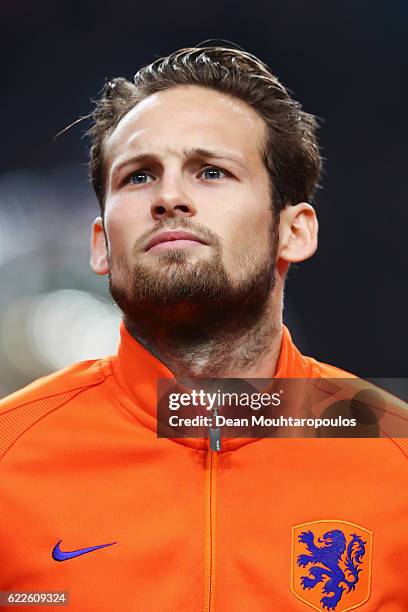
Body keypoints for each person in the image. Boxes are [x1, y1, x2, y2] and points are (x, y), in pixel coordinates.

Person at [0, 46, 406, 611]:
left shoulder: (396, 459)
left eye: (211, 171)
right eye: (139, 176)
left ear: (294, 231)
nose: (168, 198)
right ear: (100, 244)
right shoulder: (8, 457)